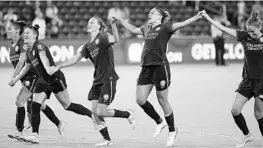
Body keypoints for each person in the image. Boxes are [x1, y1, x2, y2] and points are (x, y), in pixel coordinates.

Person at [114, 7, 203, 146]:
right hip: (146, 67)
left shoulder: (166, 28)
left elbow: (183, 23)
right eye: (149, 12)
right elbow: (133, 29)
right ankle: (160, 122)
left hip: (160, 67)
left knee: (162, 99)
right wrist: (120, 20)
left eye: (153, 13)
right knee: (140, 99)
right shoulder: (146, 28)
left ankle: (172, 130)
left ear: (161, 17)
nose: (150, 14)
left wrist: (196, 17)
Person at [50, 16, 136, 146]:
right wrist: (59, 66)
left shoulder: (103, 36)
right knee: (95, 113)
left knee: (101, 111)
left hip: (109, 78)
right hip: (97, 80)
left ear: (98, 26)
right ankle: (107, 140)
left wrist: (113, 25)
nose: (89, 23)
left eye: (92, 22)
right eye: (88, 21)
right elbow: (75, 58)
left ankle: (127, 114)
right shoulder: (87, 45)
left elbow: (116, 39)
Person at [9, 24, 94, 144]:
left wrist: (47, 68)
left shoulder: (40, 46)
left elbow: (43, 58)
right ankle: (35, 135)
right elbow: (26, 67)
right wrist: (15, 79)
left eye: (28, 33)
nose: (25, 35)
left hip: (55, 78)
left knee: (67, 105)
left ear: (35, 35)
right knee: (35, 105)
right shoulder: (28, 49)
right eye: (25, 33)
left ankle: (91, 115)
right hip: (43, 80)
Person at [202, 10, 263, 148]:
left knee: (259, 114)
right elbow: (222, 28)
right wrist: (207, 17)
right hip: (247, 80)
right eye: (249, 31)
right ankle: (247, 135)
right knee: (235, 110)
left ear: (260, 28)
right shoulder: (244, 36)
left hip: (262, 82)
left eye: (253, 32)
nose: (251, 34)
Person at [6, 20, 65, 140]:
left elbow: (22, 63)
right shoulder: (12, 45)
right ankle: (59, 123)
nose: (7, 31)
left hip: (32, 76)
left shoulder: (24, 44)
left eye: (10, 29)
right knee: (40, 105)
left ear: (17, 31)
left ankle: (21, 131)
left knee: (20, 101)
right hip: (26, 78)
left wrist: (14, 77)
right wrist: (17, 78)